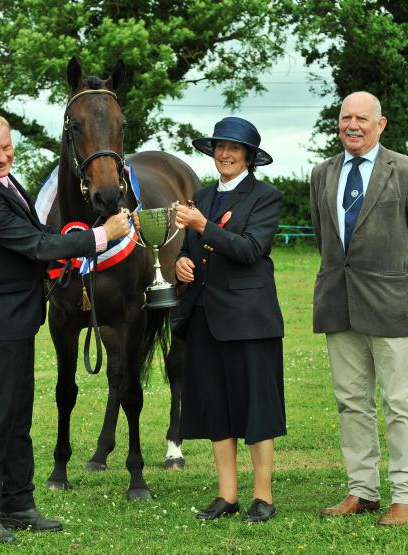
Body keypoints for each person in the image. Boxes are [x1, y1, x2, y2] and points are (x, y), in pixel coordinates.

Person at [0, 112, 130, 543]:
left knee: (17, 413)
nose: (2, 157)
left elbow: (34, 236)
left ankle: (18, 503)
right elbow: (35, 243)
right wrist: (100, 236)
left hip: (16, 316)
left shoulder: (4, 182)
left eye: (7, 147)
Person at [310, 91, 408, 525]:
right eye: (345, 117)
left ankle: (407, 495)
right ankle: (362, 491)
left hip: (392, 306)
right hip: (338, 303)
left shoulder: (407, 171)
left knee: (400, 403)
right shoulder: (321, 173)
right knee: (351, 402)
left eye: (362, 118)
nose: (353, 125)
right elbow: (325, 239)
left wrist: (402, 285)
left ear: (380, 124)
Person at [171, 116, 286, 523]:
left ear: (249, 157)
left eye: (234, 148)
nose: (225, 154)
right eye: (220, 146)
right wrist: (183, 263)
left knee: (256, 408)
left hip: (250, 320)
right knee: (217, 408)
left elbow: (251, 249)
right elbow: (191, 248)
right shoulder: (200, 195)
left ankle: (263, 497)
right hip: (205, 316)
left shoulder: (266, 197)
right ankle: (227, 495)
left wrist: (202, 226)